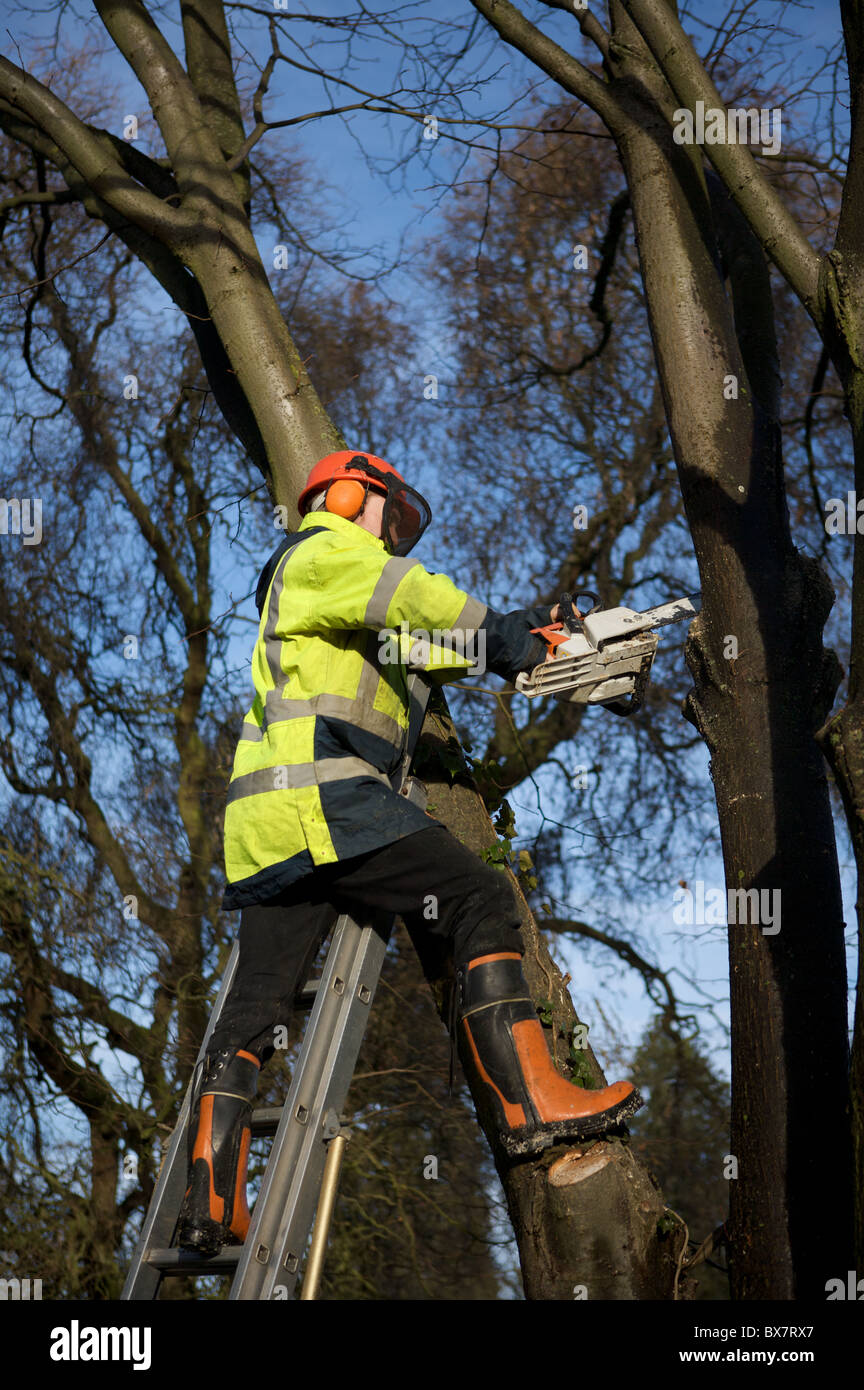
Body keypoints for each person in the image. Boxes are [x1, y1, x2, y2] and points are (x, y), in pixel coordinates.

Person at [177, 451, 642, 1255]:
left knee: (256, 1007)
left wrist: (538, 645)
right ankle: (531, 1103)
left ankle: (209, 1202)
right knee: (479, 899)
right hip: (326, 800)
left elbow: (430, 646)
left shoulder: (333, 598)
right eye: (388, 516)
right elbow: (422, 602)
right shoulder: (325, 552)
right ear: (349, 495)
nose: (393, 538)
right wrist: (510, 640)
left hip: (269, 829)